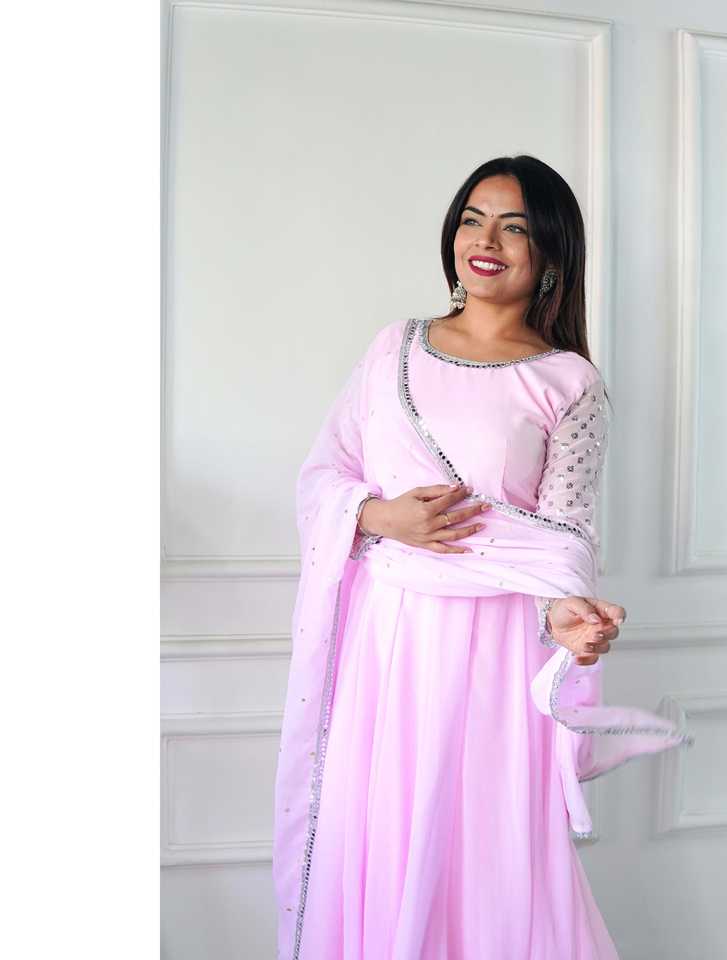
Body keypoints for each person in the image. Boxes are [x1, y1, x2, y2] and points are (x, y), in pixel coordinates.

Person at [272, 155, 694, 959]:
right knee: (383, 832)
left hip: (496, 653)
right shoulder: (394, 349)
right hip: (388, 644)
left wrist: (571, 619)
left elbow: (565, 536)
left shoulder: (568, 382)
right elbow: (323, 476)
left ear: (551, 254)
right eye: (472, 219)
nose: (485, 241)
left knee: (488, 852)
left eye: (514, 227)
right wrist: (381, 516)